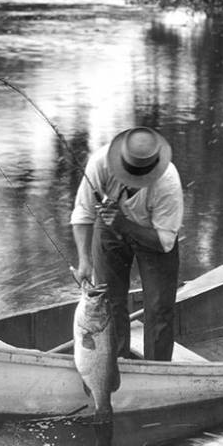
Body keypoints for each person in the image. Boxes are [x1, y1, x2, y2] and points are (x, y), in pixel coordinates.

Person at [71, 126, 183, 361]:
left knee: (159, 310)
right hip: (110, 227)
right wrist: (84, 262)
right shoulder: (99, 163)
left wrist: (124, 224)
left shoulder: (168, 182)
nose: (131, 181)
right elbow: (83, 214)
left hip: (153, 236)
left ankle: (157, 372)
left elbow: (164, 242)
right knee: (108, 303)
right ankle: (115, 365)